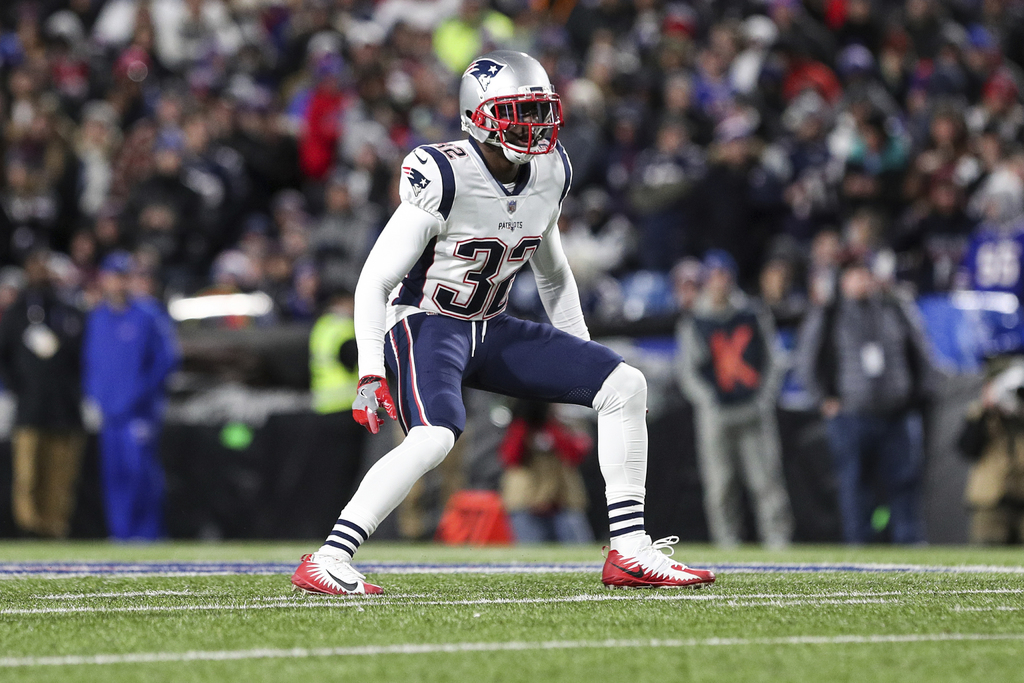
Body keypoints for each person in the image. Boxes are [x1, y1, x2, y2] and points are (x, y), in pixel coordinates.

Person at [290, 51, 716, 594]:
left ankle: (630, 551)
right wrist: (371, 371)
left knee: (624, 385)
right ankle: (329, 557)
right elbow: (374, 281)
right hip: (426, 322)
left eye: (540, 111)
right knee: (434, 437)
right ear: (479, 116)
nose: (534, 124)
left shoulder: (551, 172)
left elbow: (554, 276)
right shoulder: (444, 173)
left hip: (490, 323)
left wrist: (585, 364)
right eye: (519, 111)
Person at [797, 256, 937, 544]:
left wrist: (918, 396)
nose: (861, 281)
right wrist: (823, 400)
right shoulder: (830, 314)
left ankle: (910, 545)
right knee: (854, 486)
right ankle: (859, 547)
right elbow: (806, 361)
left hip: (897, 414)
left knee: (905, 482)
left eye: (865, 274)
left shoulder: (895, 308)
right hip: (851, 415)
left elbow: (922, 352)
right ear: (842, 281)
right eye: (854, 275)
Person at [677, 250, 794, 548]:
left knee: (766, 480)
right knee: (720, 484)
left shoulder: (751, 314)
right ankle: (726, 542)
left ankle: (777, 540)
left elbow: (774, 359)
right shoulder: (695, 321)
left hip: (753, 409)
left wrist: (764, 397)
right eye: (714, 276)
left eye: (723, 275)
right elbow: (688, 372)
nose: (719, 282)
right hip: (716, 414)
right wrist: (708, 401)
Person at [83, 251, 179, 540]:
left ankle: (148, 535)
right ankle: (120, 535)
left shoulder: (148, 315)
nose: (118, 283)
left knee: (140, 474)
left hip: (140, 412)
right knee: (114, 476)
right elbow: (91, 362)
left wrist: (141, 395)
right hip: (109, 413)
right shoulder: (97, 317)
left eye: (124, 276)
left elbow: (166, 360)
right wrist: (94, 397)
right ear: (104, 279)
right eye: (113, 276)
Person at [0, 249, 86, 538]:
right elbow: (4, 356)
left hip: (65, 406)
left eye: (45, 267)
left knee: (61, 476)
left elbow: (83, 358)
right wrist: (17, 388)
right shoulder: (16, 314)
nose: (41, 273)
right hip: (30, 406)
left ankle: (55, 528)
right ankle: (28, 529)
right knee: (27, 475)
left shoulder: (70, 312)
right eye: (36, 267)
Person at [499, 400, 594, 544]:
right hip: (526, 500)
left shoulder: (561, 425)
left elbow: (575, 455)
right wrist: (523, 425)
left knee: (579, 547)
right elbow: (510, 458)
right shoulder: (520, 428)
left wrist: (551, 426)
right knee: (530, 552)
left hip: (562, 498)